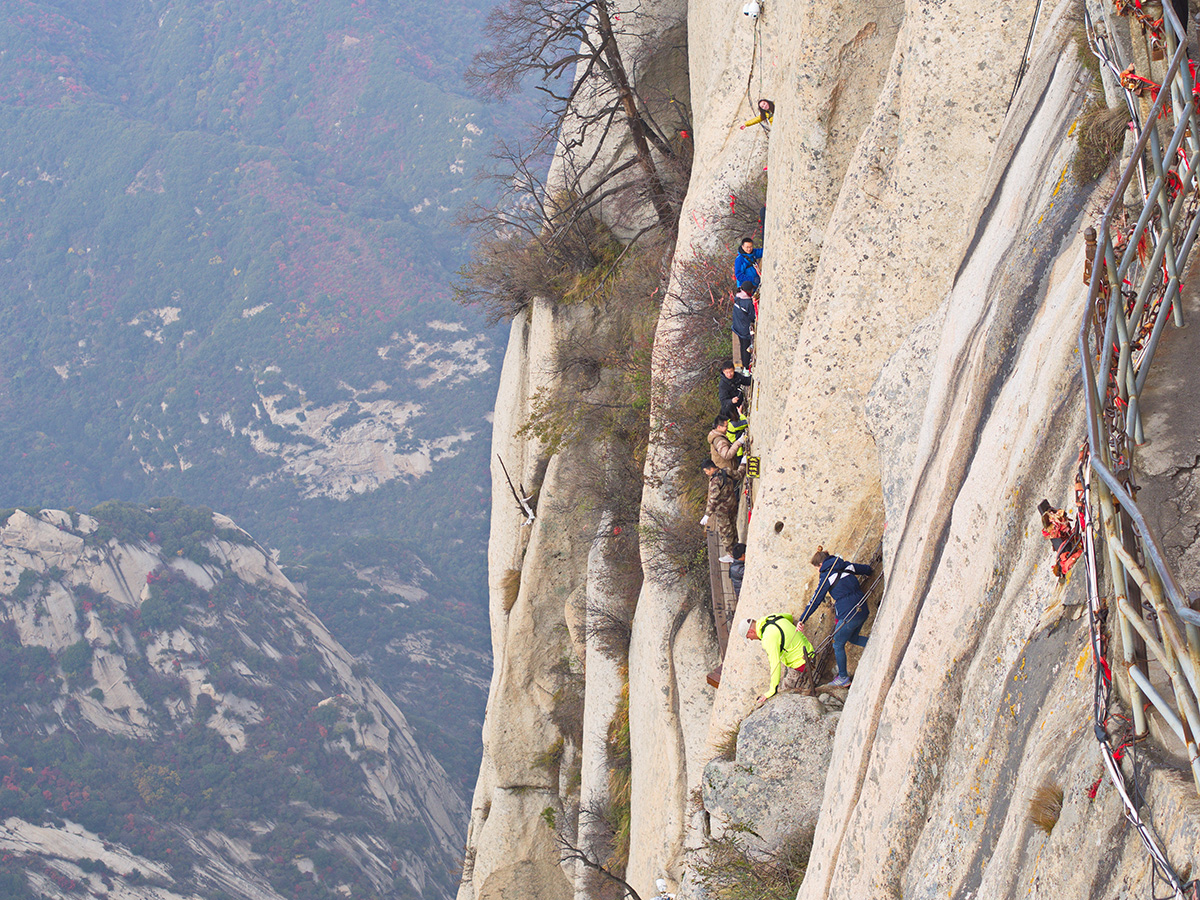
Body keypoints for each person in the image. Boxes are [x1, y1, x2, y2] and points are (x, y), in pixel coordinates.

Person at [800, 547, 873, 687]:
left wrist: (803, 619)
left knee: (837, 643)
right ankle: (875, 644)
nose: (818, 572)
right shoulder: (845, 565)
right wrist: (869, 572)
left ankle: (843, 677)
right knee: (852, 637)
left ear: (820, 565)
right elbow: (866, 569)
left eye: (816, 569)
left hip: (848, 613)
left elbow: (815, 600)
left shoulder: (826, 577)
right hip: (862, 608)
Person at [738, 612, 814, 706]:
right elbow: (789, 617)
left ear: (751, 632)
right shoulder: (771, 618)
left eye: (749, 637)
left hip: (801, 664)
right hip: (810, 651)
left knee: (784, 694)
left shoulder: (768, 638)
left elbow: (775, 664)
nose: (751, 639)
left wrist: (772, 690)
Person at [701, 458, 744, 554]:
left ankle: (732, 555)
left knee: (725, 534)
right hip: (732, 505)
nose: (706, 473)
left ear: (711, 469)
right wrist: (743, 464)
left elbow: (713, 499)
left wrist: (707, 515)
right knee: (733, 528)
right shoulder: (726, 471)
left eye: (706, 471)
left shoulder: (714, 482)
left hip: (722, 512)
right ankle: (738, 550)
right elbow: (739, 474)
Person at [731, 282, 756, 372]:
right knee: (747, 348)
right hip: (744, 329)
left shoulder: (737, 298)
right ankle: (746, 368)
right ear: (749, 291)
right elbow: (753, 316)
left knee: (742, 346)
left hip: (737, 326)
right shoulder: (748, 303)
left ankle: (745, 367)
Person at [725, 396, 749, 465]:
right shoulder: (732, 425)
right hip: (739, 451)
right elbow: (745, 422)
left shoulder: (727, 424)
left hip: (736, 452)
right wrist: (740, 413)